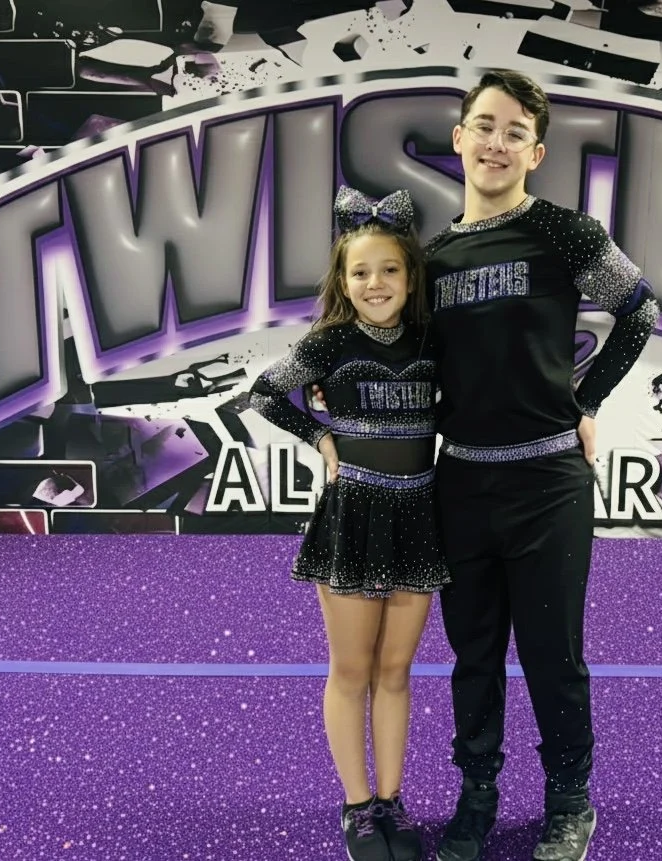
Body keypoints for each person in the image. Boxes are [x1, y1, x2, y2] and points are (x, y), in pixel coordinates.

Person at [425, 70, 661, 861]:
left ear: (536, 152)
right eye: (485, 126)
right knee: (474, 656)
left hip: (547, 481)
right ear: (459, 138)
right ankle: (476, 796)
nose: (496, 143)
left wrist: (586, 400)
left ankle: (569, 799)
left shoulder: (566, 233)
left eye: (515, 132)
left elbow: (639, 309)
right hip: (461, 482)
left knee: (553, 656)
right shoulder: (431, 260)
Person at [231, 185, 450, 861]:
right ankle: (357, 805)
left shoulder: (433, 340)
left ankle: (391, 797)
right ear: (342, 280)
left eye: (389, 269)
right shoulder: (329, 343)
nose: (375, 283)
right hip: (353, 515)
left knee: (396, 669)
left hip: (417, 513)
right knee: (352, 667)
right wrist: (321, 437)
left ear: (410, 276)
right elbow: (264, 393)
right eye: (361, 272)